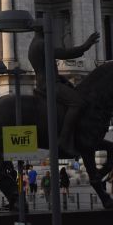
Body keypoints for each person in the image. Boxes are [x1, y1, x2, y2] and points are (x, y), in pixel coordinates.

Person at [27, 27, 100, 157]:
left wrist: (62, 79)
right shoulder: (41, 43)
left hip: (49, 81)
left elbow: (45, 67)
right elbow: (64, 54)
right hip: (49, 85)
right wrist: (85, 46)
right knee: (77, 103)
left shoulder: (34, 43)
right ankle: (64, 141)